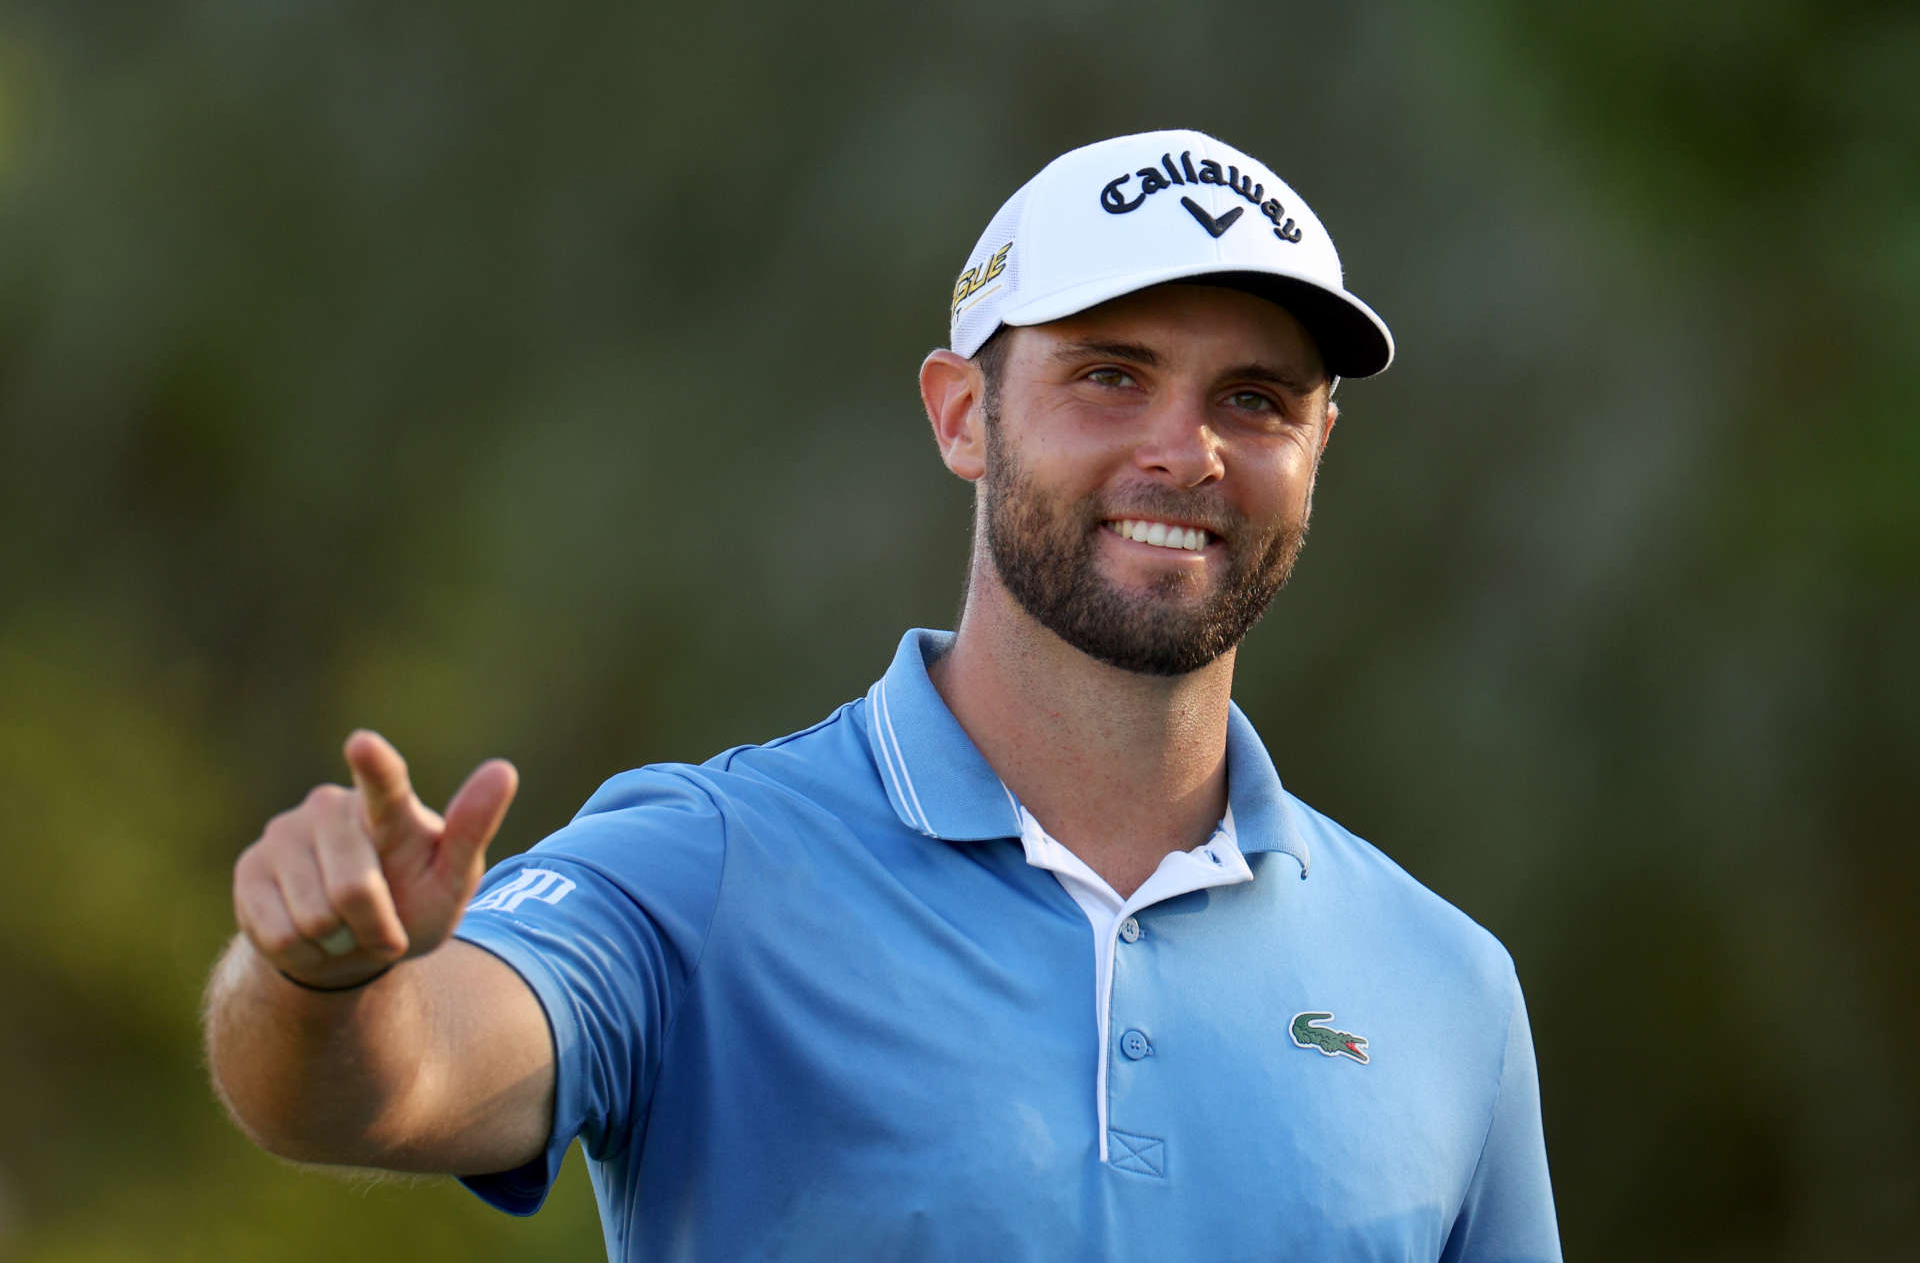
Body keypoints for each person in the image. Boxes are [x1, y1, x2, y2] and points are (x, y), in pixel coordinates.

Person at [204, 128, 1561, 1261]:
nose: (1186, 452)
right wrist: (322, 989)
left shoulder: (1448, 989)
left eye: (1257, 399)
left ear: (1320, 444)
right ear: (964, 413)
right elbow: (396, 1082)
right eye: (1109, 375)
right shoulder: (708, 868)